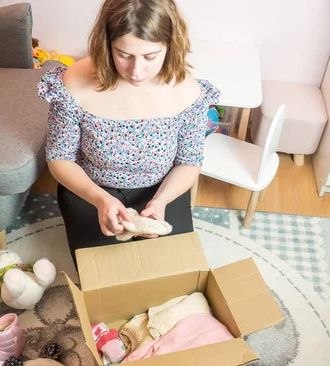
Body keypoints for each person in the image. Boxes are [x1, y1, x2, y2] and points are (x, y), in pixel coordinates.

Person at [37, 0, 219, 266]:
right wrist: (100, 199)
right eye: (124, 54)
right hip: (89, 189)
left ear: (170, 46)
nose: (136, 71)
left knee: (171, 271)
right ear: (106, 44)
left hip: (161, 189)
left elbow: (189, 163)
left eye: (150, 56)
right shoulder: (72, 84)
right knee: (104, 274)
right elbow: (59, 158)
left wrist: (161, 202)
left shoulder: (189, 93)